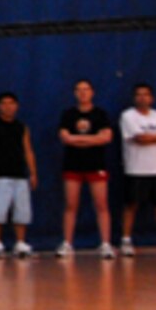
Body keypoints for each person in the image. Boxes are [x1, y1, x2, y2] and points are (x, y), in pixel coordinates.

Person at [57, 79, 115, 258]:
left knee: (101, 204)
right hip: (73, 165)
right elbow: (65, 137)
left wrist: (79, 140)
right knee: (71, 204)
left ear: (92, 92)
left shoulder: (100, 115)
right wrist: (92, 139)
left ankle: (105, 244)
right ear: (75, 93)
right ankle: (67, 243)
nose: (83, 93)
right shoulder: (68, 115)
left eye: (86, 89)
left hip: (96, 165)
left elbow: (106, 137)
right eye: (79, 90)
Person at [0, 91, 37, 259]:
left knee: (22, 211)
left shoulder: (22, 127)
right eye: (4, 103)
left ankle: (20, 242)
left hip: (20, 174)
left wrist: (33, 173)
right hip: (1, 175)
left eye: (11, 103)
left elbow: (28, 151)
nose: (8, 107)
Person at [121, 83, 156, 257]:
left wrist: (151, 138)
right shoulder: (128, 116)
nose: (143, 97)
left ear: (152, 98)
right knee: (131, 205)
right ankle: (126, 240)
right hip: (136, 169)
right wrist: (150, 138)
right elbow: (140, 138)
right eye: (139, 94)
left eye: (146, 94)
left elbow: (147, 138)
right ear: (134, 98)